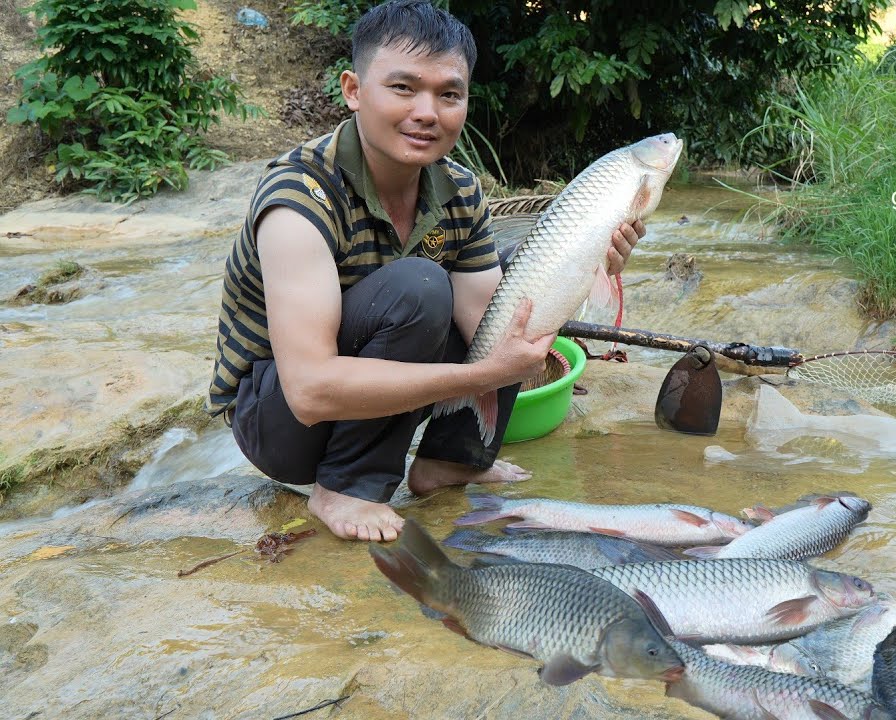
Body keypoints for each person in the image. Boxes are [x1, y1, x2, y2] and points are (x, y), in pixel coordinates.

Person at [205, 0, 644, 542]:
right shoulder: (300, 197)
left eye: (449, 94)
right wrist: (479, 378)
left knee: (518, 284)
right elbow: (310, 391)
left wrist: (585, 264)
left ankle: (449, 461)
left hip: (368, 395)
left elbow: (493, 319)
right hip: (282, 422)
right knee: (420, 286)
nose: (427, 112)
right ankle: (345, 486)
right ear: (353, 90)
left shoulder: (459, 188)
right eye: (403, 88)